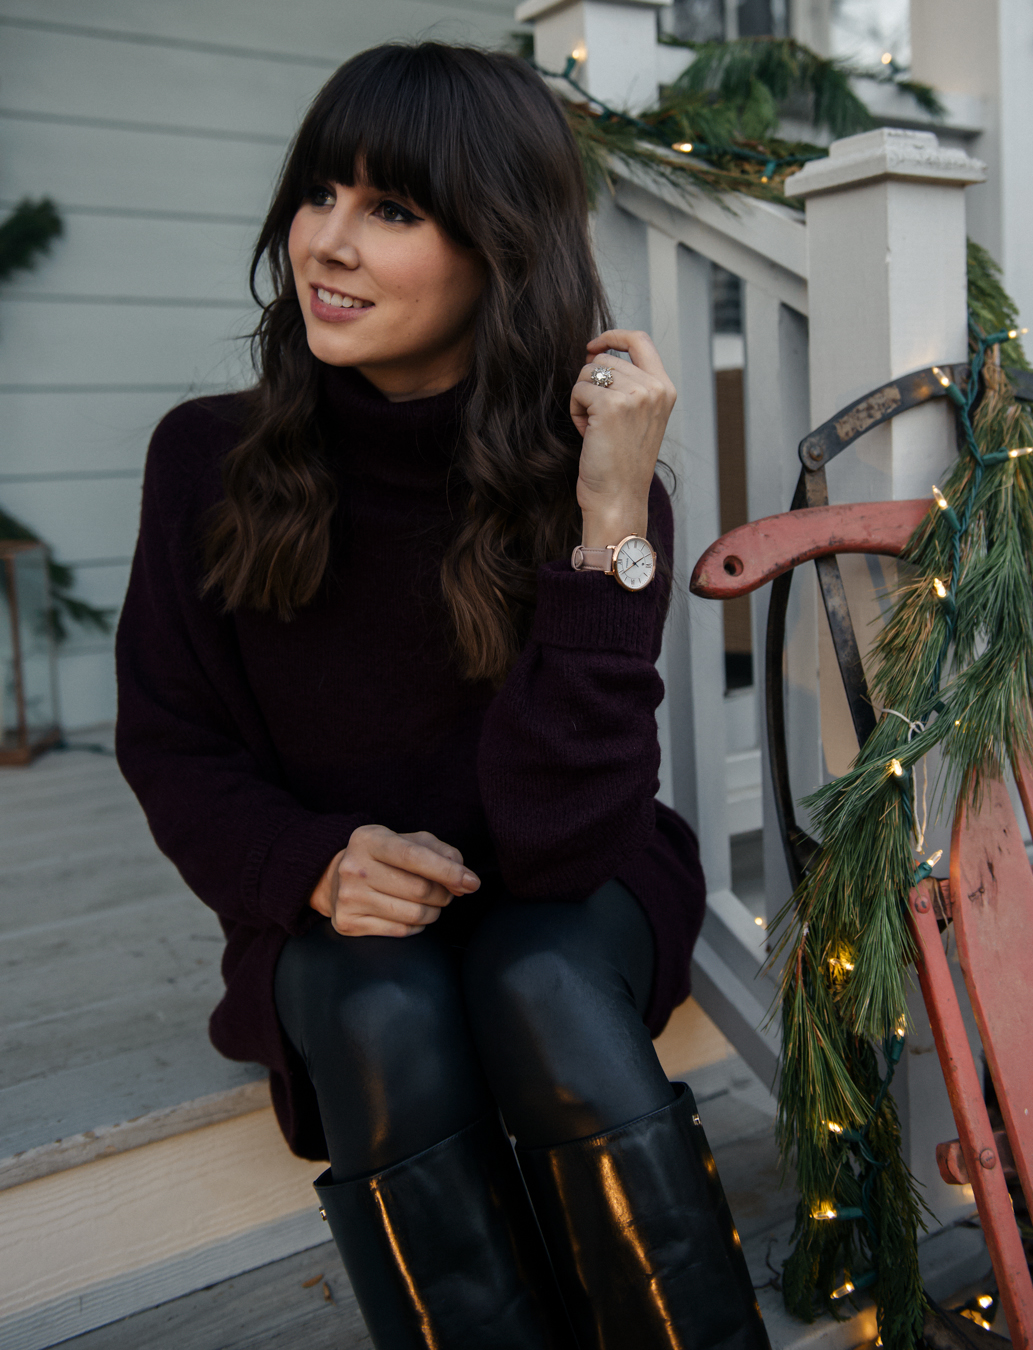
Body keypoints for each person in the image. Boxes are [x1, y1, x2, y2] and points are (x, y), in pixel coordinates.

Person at [115, 41, 772, 1350]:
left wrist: (605, 521)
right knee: (379, 1003)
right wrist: (311, 864)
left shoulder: (595, 475)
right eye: (320, 195)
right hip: (344, 910)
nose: (329, 244)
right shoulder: (208, 460)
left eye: (393, 211)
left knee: (534, 979)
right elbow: (172, 744)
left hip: (570, 888)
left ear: (499, 250)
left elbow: (565, 841)